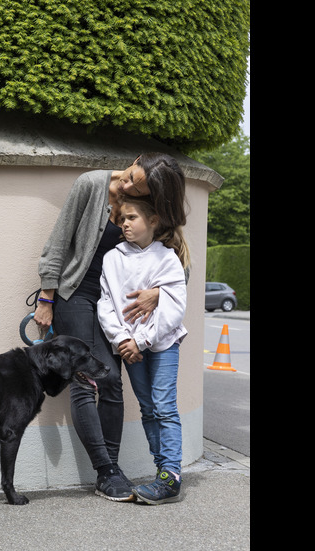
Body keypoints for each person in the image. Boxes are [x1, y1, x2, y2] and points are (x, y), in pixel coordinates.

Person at [34, 153, 187, 501]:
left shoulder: (146, 206)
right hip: (76, 294)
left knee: (110, 380)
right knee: (85, 381)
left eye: (139, 187)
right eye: (133, 176)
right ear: (134, 161)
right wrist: (46, 296)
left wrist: (158, 292)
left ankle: (114, 469)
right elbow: (60, 239)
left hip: (115, 303)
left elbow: (177, 264)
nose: (128, 186)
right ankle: (105, 470)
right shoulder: (91, 184)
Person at [97, 193, 188, 504]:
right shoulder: (112, 258)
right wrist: (122, 341)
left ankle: (171, 475)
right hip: (130, 349)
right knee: (148, 409)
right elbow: (106, 304)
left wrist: (142, 340)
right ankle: (163, 472)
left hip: (162, 345)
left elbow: (174, 308)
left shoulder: (167, 258)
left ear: (153, 221)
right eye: (121, 219)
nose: (124, 224)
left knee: (164, 407)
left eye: (131, 217)